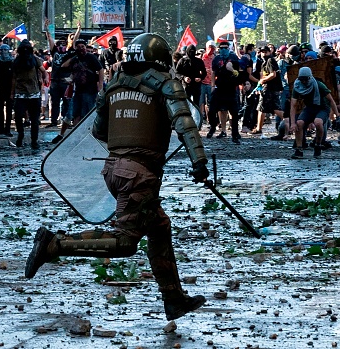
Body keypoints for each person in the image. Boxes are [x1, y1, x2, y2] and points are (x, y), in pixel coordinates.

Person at [25, 33, 210, 321]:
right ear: (160, 58)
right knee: (125, 243)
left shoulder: (112, 87)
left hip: (114, 170)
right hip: (140, 175)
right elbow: (185, 125)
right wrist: (199, 162)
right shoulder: (166, 84)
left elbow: (99, 132)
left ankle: (174, 299)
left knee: (159, 228)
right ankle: (54, 244)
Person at [290, 67, 338, 159]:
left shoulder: (319, 85)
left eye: (306, 79)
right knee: (299, 123)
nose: (303, 82)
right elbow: (293, 105)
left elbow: (331, 100)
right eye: (301, 79)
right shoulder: (297, 86)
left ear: (310, 78)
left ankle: (318, 145)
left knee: (318, 122)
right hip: (309, 108)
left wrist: (337, 115)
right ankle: (299, 148)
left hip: (322, 107)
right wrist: (292, 123)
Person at [11, 39, 47, 149]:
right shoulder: (16, 61)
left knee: (34, 119)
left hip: (33, 93)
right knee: (19, 117)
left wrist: (42, 82)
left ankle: (34, 140)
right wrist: (12, 93)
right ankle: (21, 136)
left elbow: (43, 72)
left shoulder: (35, 60)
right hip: (21, 93)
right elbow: (13, 78)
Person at [207, 40, 242, 144]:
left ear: (229, 48)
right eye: (221, 48)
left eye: (225, 48)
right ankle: (213, 126)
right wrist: (212, 85)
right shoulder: (216, 59)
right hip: (219, 88)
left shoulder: (234, 58)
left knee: (234, 113)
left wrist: (232, 70)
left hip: (231, 89)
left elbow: (239, 72)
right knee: (212, 110)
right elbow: (213, 73)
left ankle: (235, 135)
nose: (223, 50)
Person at [62, 38, 104, 121]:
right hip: (78, 90)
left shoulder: (91, 57)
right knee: (76, 113)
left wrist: (100, 84)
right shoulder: (75, 58)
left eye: (82, 46)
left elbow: (100, 69)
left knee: (87, 113)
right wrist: (74, 56)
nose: (81, 48)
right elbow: (64, 65)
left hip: (90, 90)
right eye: (78, 47)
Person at [175, 44, 207, 111]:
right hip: (186, 86)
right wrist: (184, 78)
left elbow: (204, 73)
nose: (191, 53)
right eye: (190, 51)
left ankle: (196, 119)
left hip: (196, 86)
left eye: (193, 51)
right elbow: (177, 72)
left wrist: (200, 78)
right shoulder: (182, 60)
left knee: (196, 104)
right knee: (186, 104)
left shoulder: (199, 61)